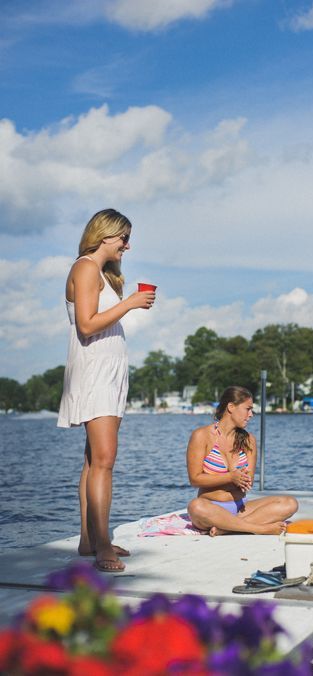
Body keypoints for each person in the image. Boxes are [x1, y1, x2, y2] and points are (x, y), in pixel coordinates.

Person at [58, 208, 156, 572]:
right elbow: (86, 325)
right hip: (95, 370)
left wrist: (125, 299)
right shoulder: (85, 267)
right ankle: (102, 547)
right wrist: (129, 303)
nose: (128, 246)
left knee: (92, 460)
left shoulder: (101, 273)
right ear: (105, 235)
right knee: (104, 460)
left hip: (108, 371)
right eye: (124, 238)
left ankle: (90, 539)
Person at [186, 386, 298, 535]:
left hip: (241, 508)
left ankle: (226, 529)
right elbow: (195, 479)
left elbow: (248, 480)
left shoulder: (248, 440)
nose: (251, 414)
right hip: (210, 508)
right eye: (248, 409)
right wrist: (231, 477)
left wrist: (244, 479)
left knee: (289, 503)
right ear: (231, 407)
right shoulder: (201, 435)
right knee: (195, 506)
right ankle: (258, 528)